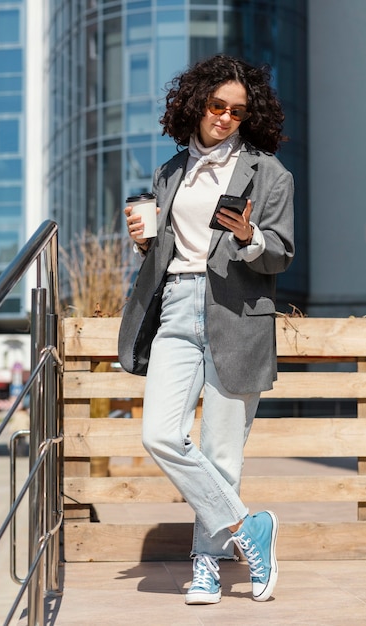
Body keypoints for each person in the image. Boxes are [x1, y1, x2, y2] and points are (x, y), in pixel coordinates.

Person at [118, 54, 294, 605]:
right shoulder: (170, 172)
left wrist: (249, 236)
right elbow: (171, 249)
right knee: (161, 434)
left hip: (237, 315)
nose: (224, 117)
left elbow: (281, 253)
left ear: (249, 117)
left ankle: (206, 566)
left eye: (237, 112)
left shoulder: (269, 173)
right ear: (196, 104)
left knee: (221, 452)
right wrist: (146, 243)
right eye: (217, 105)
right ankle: (248, 526)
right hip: (176, 307)